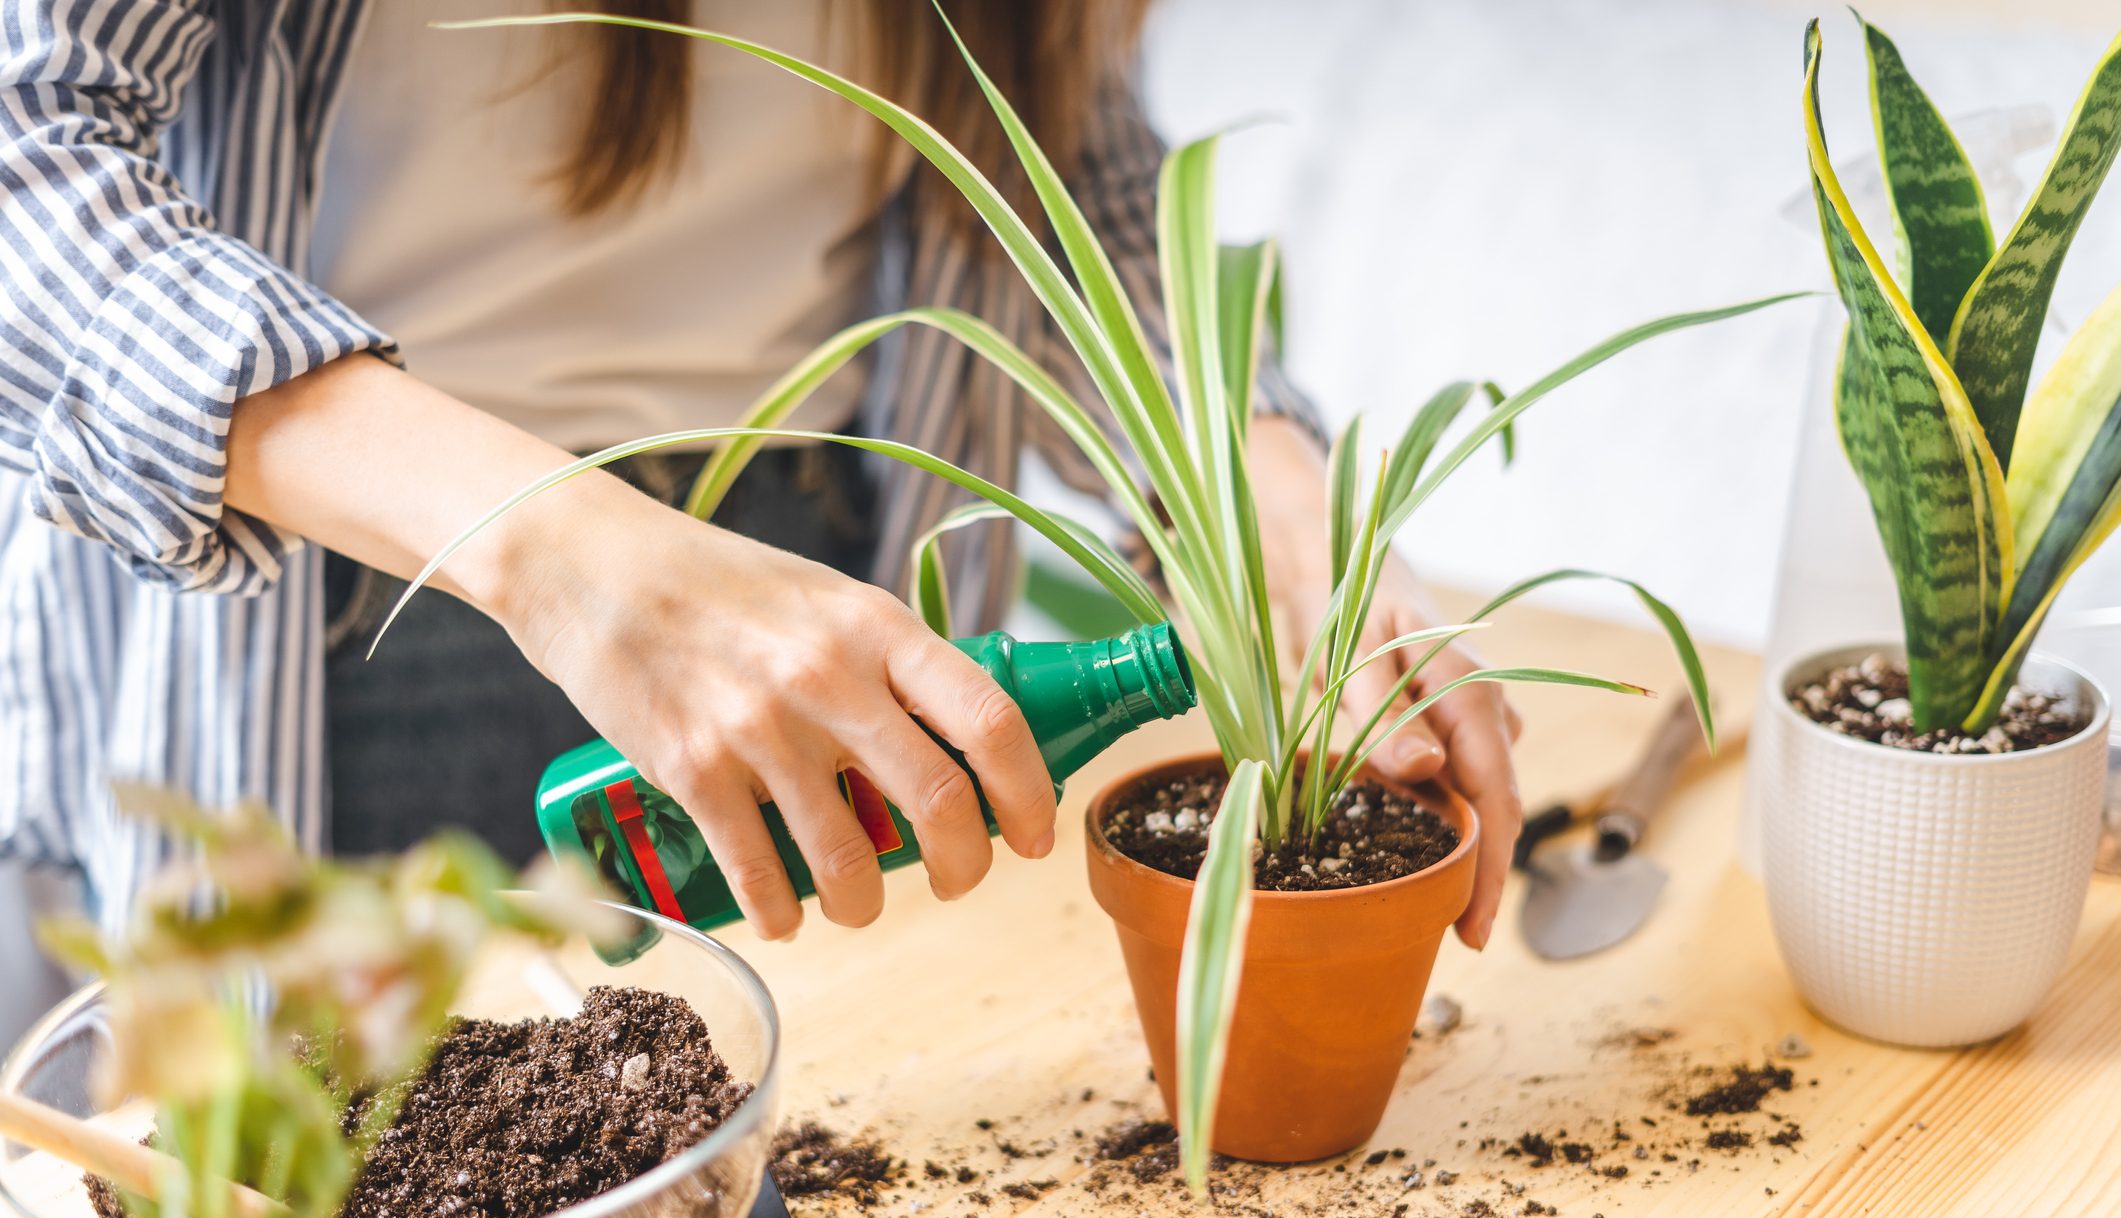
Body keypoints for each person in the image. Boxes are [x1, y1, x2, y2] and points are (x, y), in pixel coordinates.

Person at [0, 0, 1522, 952]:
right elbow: (31, 165)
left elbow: (1067, 150)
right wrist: (573, 553)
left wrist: (1253, 481)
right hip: (361, 621)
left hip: (819, 599)